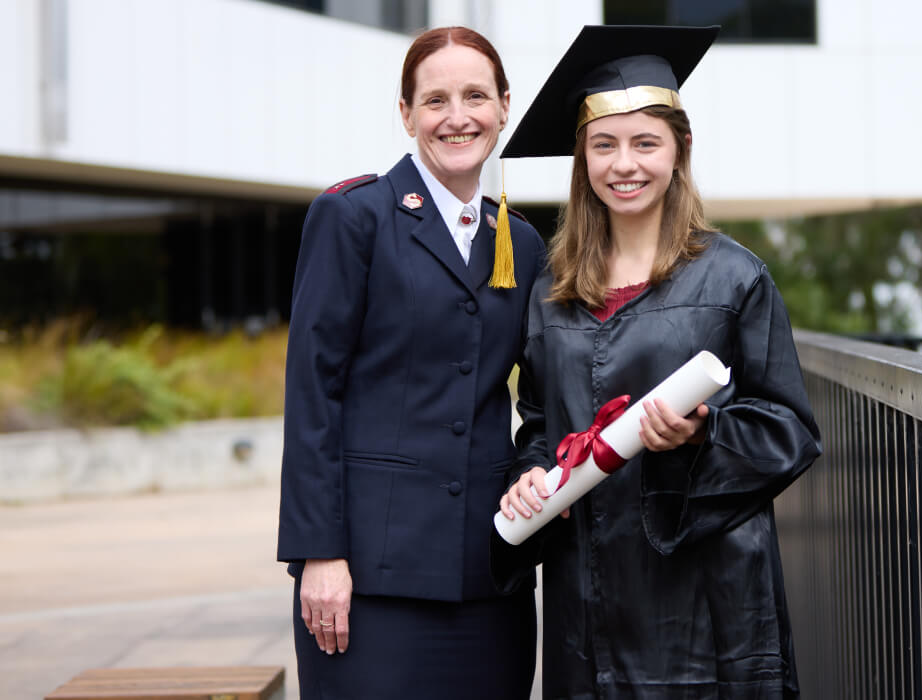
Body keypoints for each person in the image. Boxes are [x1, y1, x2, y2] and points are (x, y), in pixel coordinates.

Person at [495, 25, 823, 699]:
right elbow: (538, 423)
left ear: (681, 150)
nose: (625, 164)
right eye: (604, 144)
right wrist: (530, 475)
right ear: (582, 156)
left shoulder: (735, 281)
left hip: (706, 598)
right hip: (586, 594)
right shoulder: (553, 292)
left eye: (646, 143)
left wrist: (704, 431)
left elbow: (790, 430)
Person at [277, 26, 545, 699]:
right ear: (407, 114)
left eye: (476, 96)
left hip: (489, 576)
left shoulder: (522, 241)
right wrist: (320, 554)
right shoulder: (353, 217)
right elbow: (313, 393)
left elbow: (540, 396)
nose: (458, 117)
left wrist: (535, 471)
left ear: (505, 106)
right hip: (370, 578)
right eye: (435, 100)